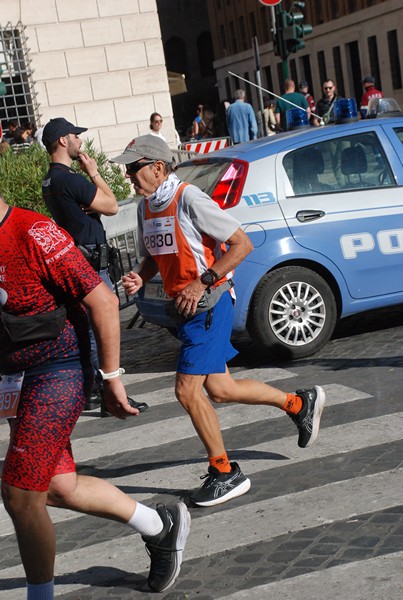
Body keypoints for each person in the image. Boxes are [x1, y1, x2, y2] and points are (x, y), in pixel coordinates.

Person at [112, 135, 326, 508]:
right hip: (186, 311)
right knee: (222, 389)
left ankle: (226, 472)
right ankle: (298, 403)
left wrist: (202, 282)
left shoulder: (190, 198)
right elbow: (154, 257)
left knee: (186, 391)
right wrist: (140, 277)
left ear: (158, 167)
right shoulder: (146, 208)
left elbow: (241, 244)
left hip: (209, 306)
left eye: (134, 168)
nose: (129, 175)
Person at [0, 194, 191, 598]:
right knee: (56, 486)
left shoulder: (33, 232)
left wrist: (111, 379)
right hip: (15, 376)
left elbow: (103, 301)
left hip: (58, 368)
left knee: (20, 494)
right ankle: (160, 526)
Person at [41, 117, 148, 416]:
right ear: (63, 141)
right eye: (75, 136)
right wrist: (94, 174)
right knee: (101, 328)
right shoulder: (71, 179)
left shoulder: (49, 181)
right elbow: (112, 205)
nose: (80, 141)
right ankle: (105, 393)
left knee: (88, 329)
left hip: (78, 258)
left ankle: (93, 391)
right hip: (90, 260)